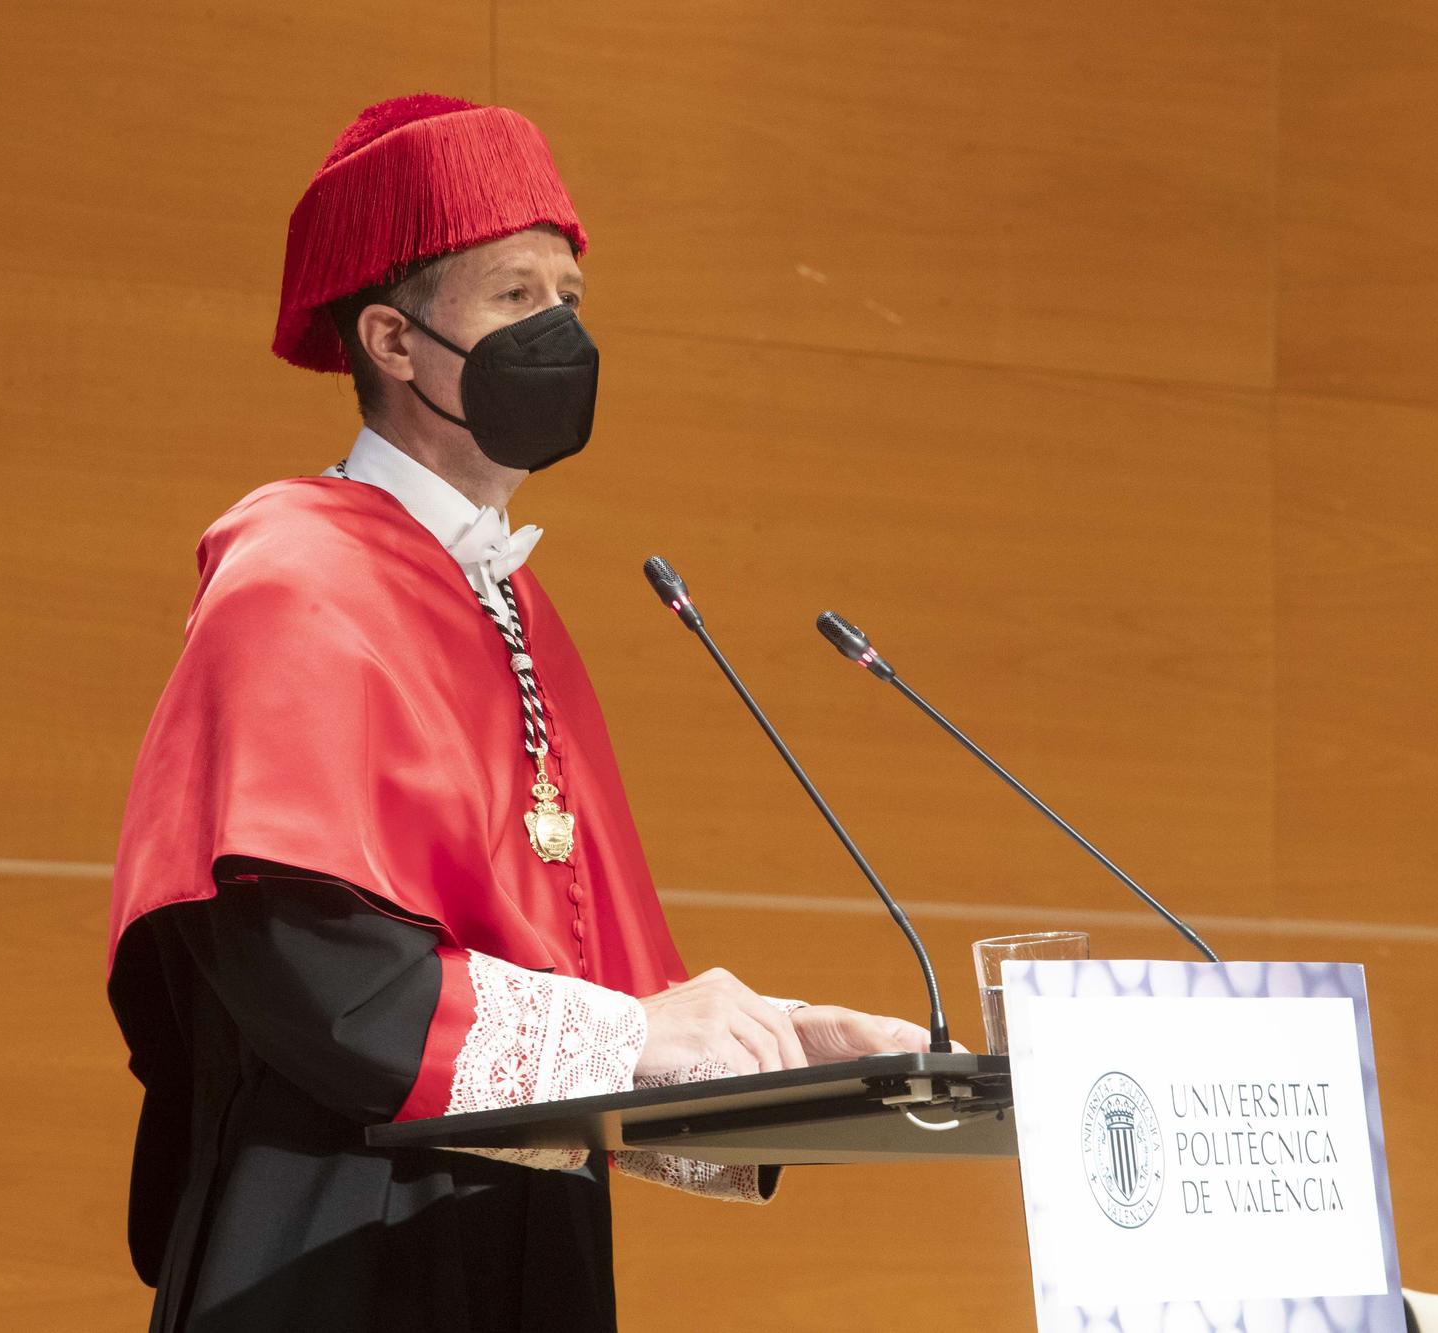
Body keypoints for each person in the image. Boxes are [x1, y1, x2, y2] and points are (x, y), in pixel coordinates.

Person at [105, 93, 933, 1333]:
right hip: (339, 1239)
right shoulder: (295, 571)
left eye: (569, 296)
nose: (558, 330)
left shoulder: (509, 598)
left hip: (520, 1231)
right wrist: (634, 1038)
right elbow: (317, 974)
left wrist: (780, 1062)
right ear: (391, 340)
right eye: (513, 297)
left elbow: (577, 978)